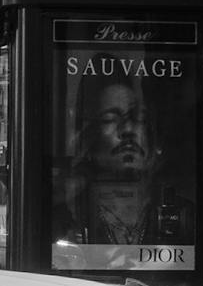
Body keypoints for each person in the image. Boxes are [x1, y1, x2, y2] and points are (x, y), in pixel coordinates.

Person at [55, 78, 195, 247]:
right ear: (91, 137)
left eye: (140, 119)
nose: (128, 130)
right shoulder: (69, 214)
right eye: (110, 119)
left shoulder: (186, 215)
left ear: (155, 139)